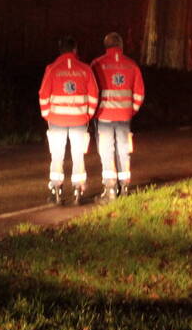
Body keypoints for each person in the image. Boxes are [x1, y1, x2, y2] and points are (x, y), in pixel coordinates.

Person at [38, 36, 98, 205]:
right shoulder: (85, 69)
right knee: (78, 154)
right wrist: (88, 114)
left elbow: (43, 94)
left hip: (56, 119)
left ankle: (56, 191)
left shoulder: (52, 68)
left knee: (56, 155)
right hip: (79, 119)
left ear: (60, 49)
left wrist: (46, 114)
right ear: (75, 50)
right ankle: (78, 190)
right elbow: (94, 94)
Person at [90, 32, 145, 203]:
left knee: (106, 151)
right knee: (124, 149)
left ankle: (110, 189)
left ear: (106, 47)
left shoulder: (97, 64)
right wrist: (131, 110)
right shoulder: (132, 65)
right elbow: (139, 94)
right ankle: (125, 186)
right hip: (124, 116)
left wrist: (93, 111)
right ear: (121, 46)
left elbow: (92, 91)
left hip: (104, 116)